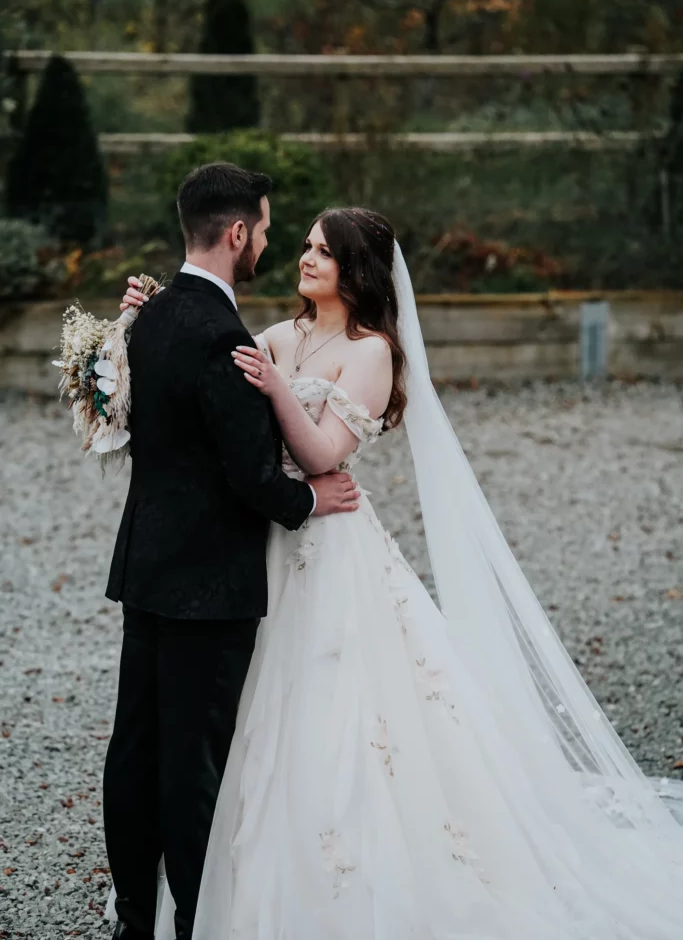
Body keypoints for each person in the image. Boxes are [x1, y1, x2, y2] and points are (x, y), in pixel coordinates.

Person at [114, 206, 683, 940]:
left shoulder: (371, 352)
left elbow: (323, 454)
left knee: (335, 709)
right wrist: (147, 317)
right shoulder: (281, 335)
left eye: (324, 251)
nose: (305, 258)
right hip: (267, 542)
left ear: (355, 270)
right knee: (240, 710)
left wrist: (278, 390)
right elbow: (201, 378)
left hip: (330, 542)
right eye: (307, 247)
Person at [102, 164, 361, 940]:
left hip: (146, 567)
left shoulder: (147, 319)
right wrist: (311, 499)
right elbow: (253, 478)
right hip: (209, 586)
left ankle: (132, 922)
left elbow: (137, 431)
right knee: (193, 764)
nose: (273, 245)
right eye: (270, 231)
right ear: (238, 232)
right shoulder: (221, 336)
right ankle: (194, 920)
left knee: (135, 750)